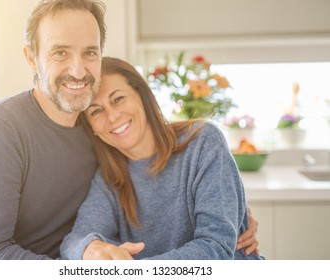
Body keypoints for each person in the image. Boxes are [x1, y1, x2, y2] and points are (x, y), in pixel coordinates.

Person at [0, 0, 258, 260]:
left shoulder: (98, 131)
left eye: (90, 52)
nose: (78, 69)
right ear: (31, 58)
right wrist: (87, 261)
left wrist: (231, 213)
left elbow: (173, 178)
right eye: (60, 52)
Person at [60, 57, 264, 260]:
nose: (112, 117)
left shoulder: (203, 141)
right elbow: (75, 240)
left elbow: (216, 248)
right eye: (96, 111)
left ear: (142, 95)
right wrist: (89, 247)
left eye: (118, 99)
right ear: (92, 129)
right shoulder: (109, 178)